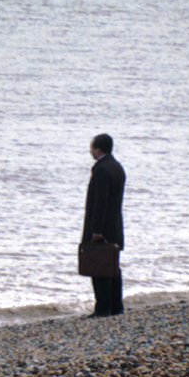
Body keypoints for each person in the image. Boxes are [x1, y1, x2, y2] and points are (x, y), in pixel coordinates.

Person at [82, 133, 126, 317]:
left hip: (103, 228)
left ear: (98, 149)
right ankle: (116, 306)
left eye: (91, 148)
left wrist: (96, 231)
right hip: (115, 226)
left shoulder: (101, 170)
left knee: (98, 266)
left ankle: (102, 308)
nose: (90, 151)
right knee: (113, 267)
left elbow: (100, 203)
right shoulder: (117, 167)